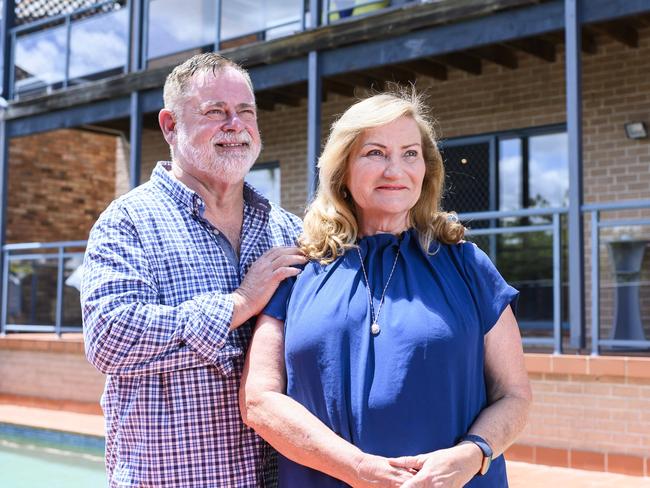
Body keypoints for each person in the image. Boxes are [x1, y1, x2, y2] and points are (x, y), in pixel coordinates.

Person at [240, 89, 532, 487]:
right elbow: (259, 401)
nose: (395, 169)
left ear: (426, 168)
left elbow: (513, 395)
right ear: (342, 170)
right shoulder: (297, 271)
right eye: (375, 153)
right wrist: (356, 468)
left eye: (410, 154)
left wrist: (472, 455)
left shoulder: (469, 265)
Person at [81, 52, 305, 487]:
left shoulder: (287, 229)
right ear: (169, 126)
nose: (235, 125)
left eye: (245, 112)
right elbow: (108, 337)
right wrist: (237, 304)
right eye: (215, 112)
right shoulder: (128, 221)